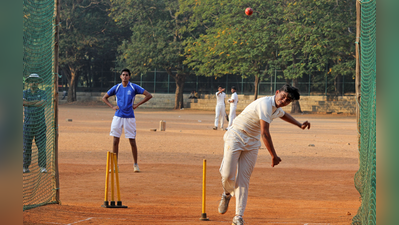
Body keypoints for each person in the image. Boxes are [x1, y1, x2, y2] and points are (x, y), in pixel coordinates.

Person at [217, 84, 311, 225]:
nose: (284, 101)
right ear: (277, 92)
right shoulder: (265, 104)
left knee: (243, 179)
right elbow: (265, 133)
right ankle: (226, 194)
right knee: (227, 174)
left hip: (252, 143)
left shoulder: (277, 108)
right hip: (236, 135)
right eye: (283, 96)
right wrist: (273, 155)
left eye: (288, 100)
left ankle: (238, 217)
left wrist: (299, 124)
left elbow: (283, 114)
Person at [102, 69, 152, 172]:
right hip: (118, 117)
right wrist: (112, 106)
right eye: (123, 75)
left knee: (132, 141)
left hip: (129, 117)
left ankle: (135, 164)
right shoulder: (117, 87)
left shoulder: (133, 87)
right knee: (115, 141)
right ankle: (115, 165)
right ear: (120, 76)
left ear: (129, 77)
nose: (125, 76)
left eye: (127, 75)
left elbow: (148, 95)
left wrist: (137, 104)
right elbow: (104, 98)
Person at [23, 74, 47, 173]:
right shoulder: (24, 92)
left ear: (38, 82)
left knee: (41, 147)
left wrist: (29, 103)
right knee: (26, 147)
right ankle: (25, 166)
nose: (33, 82)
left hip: (40, 124)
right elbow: (23, 102)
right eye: (31, 81)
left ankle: (42, 167)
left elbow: (43, 103)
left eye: (35, 80)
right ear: (29, 82)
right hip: (28, 124)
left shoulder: (43, 92)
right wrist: (36, 103)